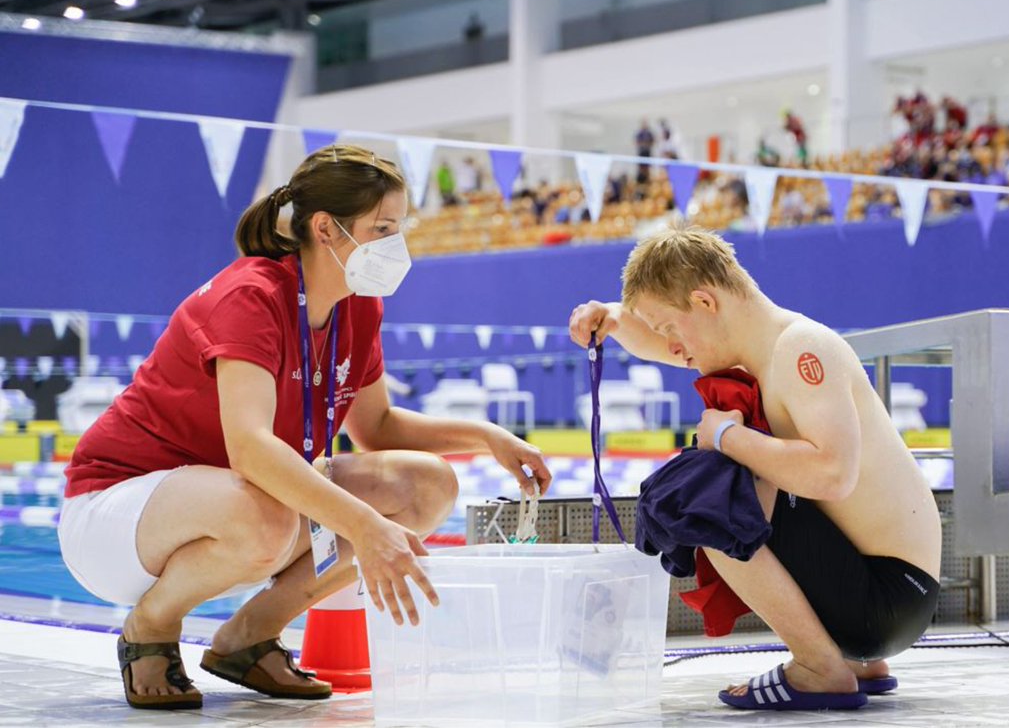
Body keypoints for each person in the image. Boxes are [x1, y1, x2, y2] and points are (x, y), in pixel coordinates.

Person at [59, 144, 550, 710]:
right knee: (265, 510)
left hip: (234, 513)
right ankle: (151, 625)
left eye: (400, 228)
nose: (398, 246)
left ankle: (248, 638)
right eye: (383, 228)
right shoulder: (251, 296)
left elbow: (378, 427)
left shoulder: (357, 306)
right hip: (118, 517)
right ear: (326, 229)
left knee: (427, 485)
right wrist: (364, 527)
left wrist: (486, 437)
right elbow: (250, 450)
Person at [567, 224, 941, 711]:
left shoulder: (801, 349)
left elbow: (832, 473)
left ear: (705, 303)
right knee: (724, 483)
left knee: (699, 502)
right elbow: (662, 345)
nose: (674, 349)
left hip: (887, 598)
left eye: (670, 328)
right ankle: (854, 661)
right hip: (884, 605)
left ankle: (819, 667)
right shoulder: (756, 354)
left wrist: (726, 435)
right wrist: (615, 318)